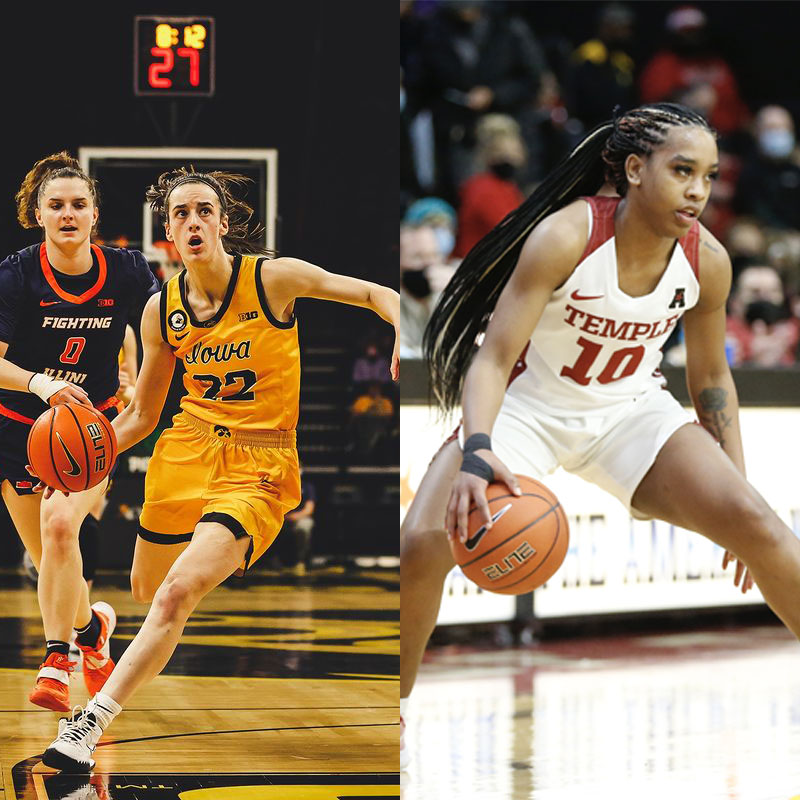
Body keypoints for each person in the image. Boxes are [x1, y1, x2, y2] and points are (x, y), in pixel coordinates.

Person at [399, 102, 800, 770]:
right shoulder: (568, 235)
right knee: (420, 543)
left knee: (761, 525)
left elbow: (710, 378)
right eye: (682, 171)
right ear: (636, 170)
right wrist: (477, 450)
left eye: (708, 174)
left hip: (628, 410)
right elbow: (493, 359)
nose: (698, 189)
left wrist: (735, 483)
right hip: (529, 404)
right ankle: (393, 708)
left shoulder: (709, 261)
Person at [42, 167, 399, 772]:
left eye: (203, 210)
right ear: (169, 236)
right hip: (185, 448)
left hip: (259, 460)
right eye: (179, 215)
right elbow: (142, 416)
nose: (192, 221)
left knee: (177, 594)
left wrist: (399, 327)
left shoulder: (272, 278)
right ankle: (100, 625)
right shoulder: (162, 310)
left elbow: (369, 292)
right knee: (145, 592)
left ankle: (89, 721)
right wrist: (88, 455)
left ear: (223, 222)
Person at [0, 153, 159, 712]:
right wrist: (43, 384)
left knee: (62, 525)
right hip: (19, 426)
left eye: (78, 204)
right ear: (37, 215)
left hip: (92, 429)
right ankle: (93, 630)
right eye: (56, 205)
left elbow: (151, 326)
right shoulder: (16, 275)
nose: (68, 213)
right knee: (50, 560)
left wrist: (136, 373)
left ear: (94, 214)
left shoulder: (129, 270)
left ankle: (57, 658)